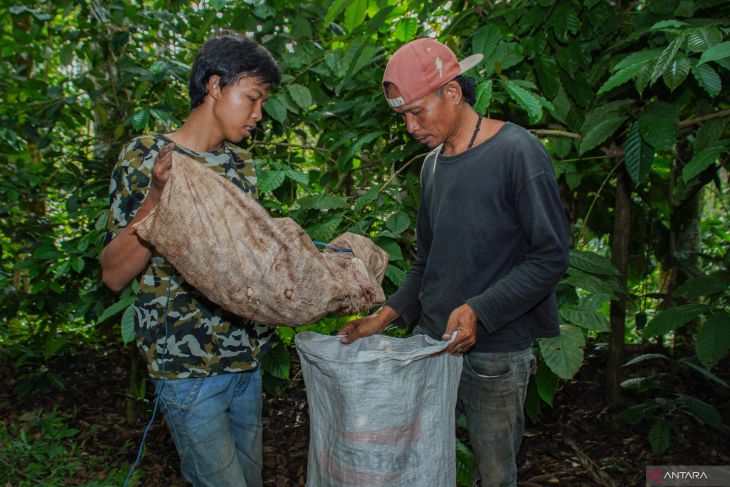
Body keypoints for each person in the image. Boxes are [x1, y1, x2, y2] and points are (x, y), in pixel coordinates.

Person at [338, 38, 569, 487]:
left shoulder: (517, 152)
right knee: (424, 459)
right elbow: (428, 263)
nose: (409, 126)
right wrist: (381, 319)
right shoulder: (432, 167)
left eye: (416, 112)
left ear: (453, 93)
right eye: (401, 116)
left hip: (497, 353)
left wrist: (480, 309)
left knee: (495, 471)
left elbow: (550, 256)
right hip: (433, 344)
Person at [100, 33, 280, 487]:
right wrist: (158, 196)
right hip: (186, 371)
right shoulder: (145, 158)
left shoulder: (242, 167)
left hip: (246, 361)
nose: (258, 114)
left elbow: (248, 261)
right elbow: (114, 274)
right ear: (216, 85)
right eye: (252, 98)